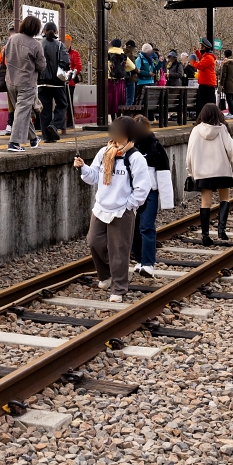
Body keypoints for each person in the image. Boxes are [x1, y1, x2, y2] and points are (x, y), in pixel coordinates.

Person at [73, 116, 150, 302]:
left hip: (122, 210)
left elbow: (143, 187)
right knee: (93, 241)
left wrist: (129, 205)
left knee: (119, 250)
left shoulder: (135, 157)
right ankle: (106, 276)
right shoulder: (104, 152)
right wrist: (82, 167)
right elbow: (93, 177)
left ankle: (119, 289)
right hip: (101, 207)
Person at [185, 103, 233, 246]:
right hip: (221, 171)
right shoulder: (222, 129)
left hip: (203, 173)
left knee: (205, 203)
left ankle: (205, 236)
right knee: (225, 199)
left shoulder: (196, 130)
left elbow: (189, 154)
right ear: (217, 114)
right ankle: (221, 230)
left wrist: (190, 171)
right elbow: (232, 150)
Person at [130, 116, 174, 277]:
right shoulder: (130, 147)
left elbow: (163, 174)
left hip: (150, 194)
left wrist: (167, 201)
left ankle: (148, 263)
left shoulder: (156, 147)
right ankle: (140, 261)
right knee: (133, 229)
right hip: (133, 194)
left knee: (146, 227)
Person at [4, 15, 46, 152]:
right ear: (36, 29)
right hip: (26, 83)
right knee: (21, 112)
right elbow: (41, 66)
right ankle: (14, 143)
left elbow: (5, 56)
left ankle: (33, 139)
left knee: (21, 111)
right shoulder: (36, 45)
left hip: (10, 80)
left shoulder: (11, 39)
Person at [37, 21, 70, 142]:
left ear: (44, 32)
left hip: (41, 81)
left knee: (44, 109)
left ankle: (46, 137)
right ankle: (54, 125)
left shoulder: (39, 44)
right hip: (57, 82)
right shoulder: (60, 45)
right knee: (62, 105)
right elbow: (66, 62)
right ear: (56, 32)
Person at [187, 39, 218, 115]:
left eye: (201, 46)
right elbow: (201, 59)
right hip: (205, 83)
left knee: (207, 103)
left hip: (207, 83)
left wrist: (192, 62)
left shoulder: (209, 57)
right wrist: (197, 52)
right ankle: (201, 119)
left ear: (205, 47)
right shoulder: (207, 57)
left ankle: (207, 118)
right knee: (201, 103)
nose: (200, 48)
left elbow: (200, 65)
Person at [107, 38, 131, 118]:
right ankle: (119, 117)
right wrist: (124, 69)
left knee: (112, 100)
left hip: (110, 80)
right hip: (120, 81)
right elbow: (132, 67)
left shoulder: (107, 55)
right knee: (120, 100)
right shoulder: (123, 56)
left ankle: (113, 118)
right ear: (120, 46)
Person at [64, 34, 82, 132]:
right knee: (63, 101)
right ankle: (64, 120)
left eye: (68, 41)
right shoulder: (59, 52)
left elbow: (78, 66)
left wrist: (72, 72)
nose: (66, 43)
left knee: (69, 101)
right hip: (61, 81)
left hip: (70, 81)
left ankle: (70, 121)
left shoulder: (75, 53)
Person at [221, 49, 233, 119]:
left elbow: (224, 74)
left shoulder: (226, 63)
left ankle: (231, 112)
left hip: (228, 83)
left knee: (229, 99)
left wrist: (221, 84)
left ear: (225, 55)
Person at [124, 40, 139, 106]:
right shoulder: (130, 56)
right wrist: (137, 70)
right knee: (130, 98)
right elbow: (133, 67)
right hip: (131, 78)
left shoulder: (122, 54)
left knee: (125, 97)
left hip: (124, 78)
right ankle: (128, 114)